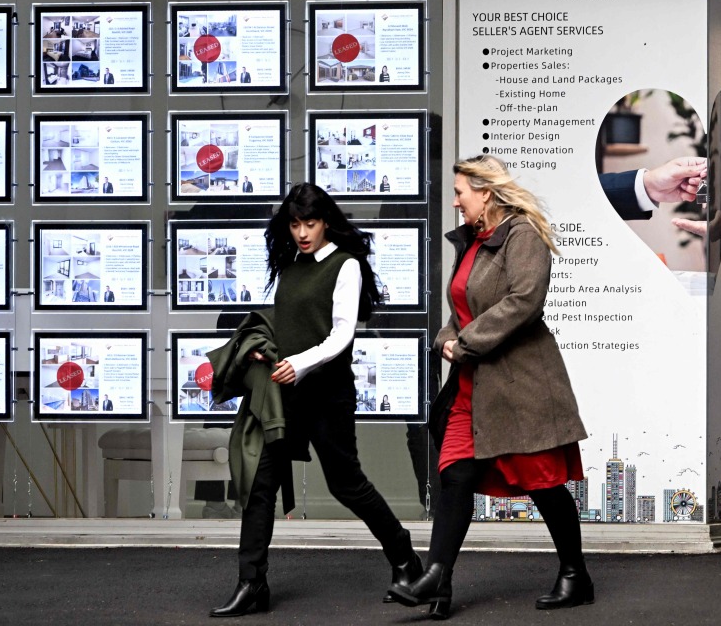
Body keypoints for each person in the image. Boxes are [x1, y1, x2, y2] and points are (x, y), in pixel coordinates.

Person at [388, 154, 592, 616]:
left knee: (543, 483)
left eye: (461, 192)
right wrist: (446, 340)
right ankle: (437, 580)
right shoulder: (475, 242)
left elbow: (524, 301)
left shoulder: (522, 234)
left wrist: (464, 344)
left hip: (520, 384)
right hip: (472, 385)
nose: (456, 201)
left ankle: (575, 574)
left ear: (485, 192)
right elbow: (461, 306)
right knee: (454, 474)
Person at [210, 182, 421, 617]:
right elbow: (286, 321)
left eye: (310, 223)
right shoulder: (290, 265)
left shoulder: (344, 265)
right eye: (295, 224)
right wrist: (261, 349)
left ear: (326, 222)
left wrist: (300, 363)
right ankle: (252, 583)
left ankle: (404, 557)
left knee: (346, 484)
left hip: (327, 394)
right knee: (259, 484)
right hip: (283, 395)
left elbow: (341, 334)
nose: (303, 232)